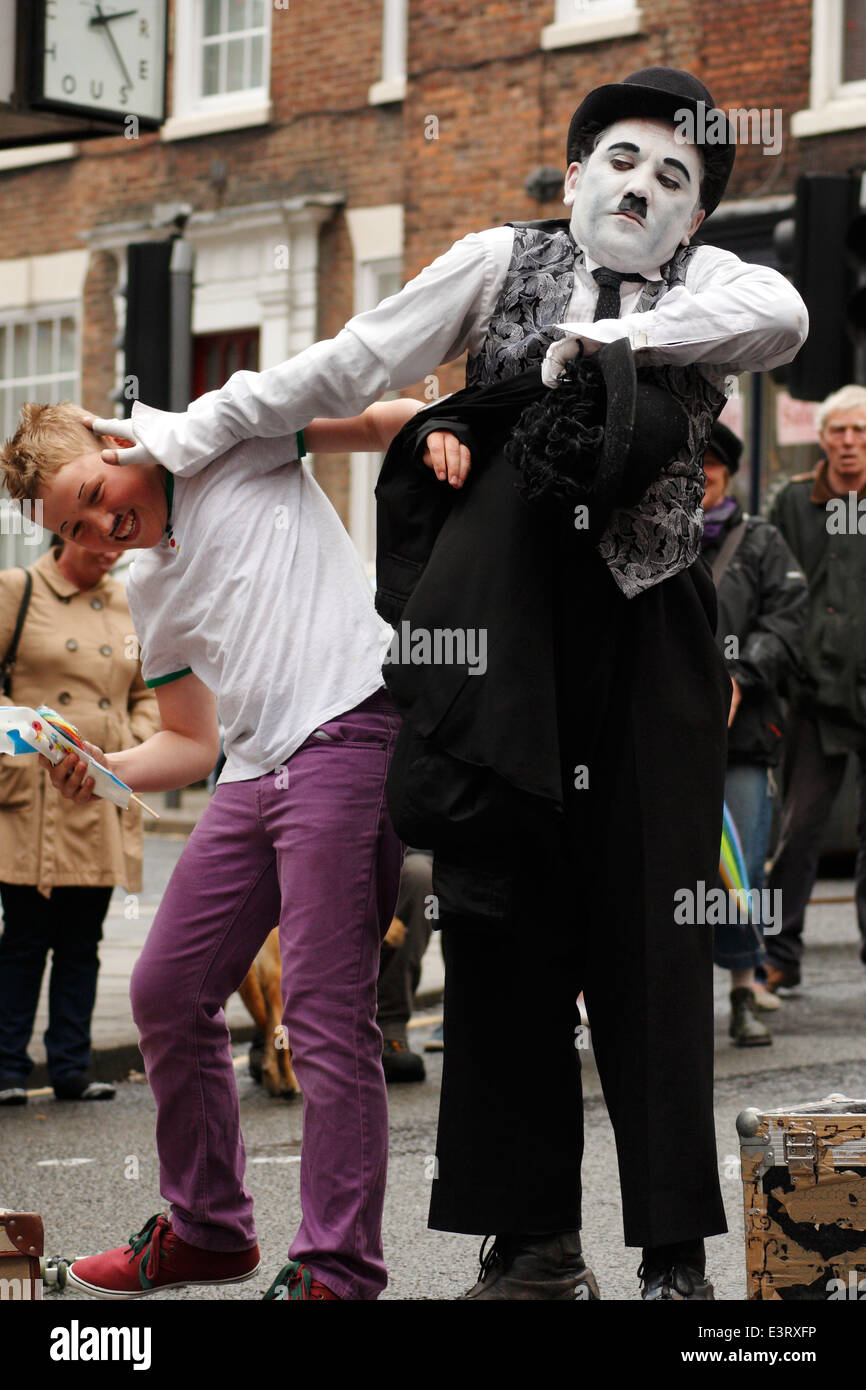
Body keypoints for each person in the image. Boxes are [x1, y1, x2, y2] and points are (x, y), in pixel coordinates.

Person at [77, 67, 807, 1300]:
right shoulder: (493, 259)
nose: (642, 187)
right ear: (573, 174)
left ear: (693, 216)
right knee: (498, 929)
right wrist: (182, 433)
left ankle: (671, 1261)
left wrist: (611, 337)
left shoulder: (714, 288)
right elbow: (347, 364)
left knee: (650, 946)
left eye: (674, 179)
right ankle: (530, 1243)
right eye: (620, 162)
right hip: (504, 643)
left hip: (648, 642)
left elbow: (782, 315)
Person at [1, 393, 419, 1300]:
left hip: (347, 732)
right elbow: (191, 741)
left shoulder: (230, 439)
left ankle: (338, 1266)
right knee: (165, 990)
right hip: (251, 769)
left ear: (118, 443)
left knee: (321, 1010)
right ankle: (211, 1231)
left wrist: (446, 429)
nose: (101, 532)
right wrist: (104, 763)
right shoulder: (150, 583)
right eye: (74, 528)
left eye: (91, 494)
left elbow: (379, 420)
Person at [0, 536, 159, 1104]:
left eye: (119, 546)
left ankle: (71, 1066)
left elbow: (149, 692)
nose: (111, 553)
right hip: (31, 795)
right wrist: (16, 742)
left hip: (97, 789)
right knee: (22, 938)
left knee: (81, 939)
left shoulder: (131, 602)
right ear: (65, 530)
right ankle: (7, 1068)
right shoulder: (17, 590)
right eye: (98, 541)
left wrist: (132, 744)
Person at [698, 421, 808, 1044]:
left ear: (730, 474)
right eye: (697, 464)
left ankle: (743, 990)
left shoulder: (763, 542)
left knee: (738, 870)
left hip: (744, 738)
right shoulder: (660, 536)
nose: (705, 475)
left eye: (715, 466)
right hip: (672, 734)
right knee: (660, 867)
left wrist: (739, 673)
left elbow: (788, 623)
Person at [765, 385, 866, 990]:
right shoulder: (792, 502)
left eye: (860, 432)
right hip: (813, 695)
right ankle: (780, 955)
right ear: (822, 438)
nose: (849, 443)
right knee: (799, 830)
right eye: (838, 433)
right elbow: (775, 591)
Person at [379, 848, 434, 1082]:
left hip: (399, 844)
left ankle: (388, 1026)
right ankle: (275, 1037)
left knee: (421, 876)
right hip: (317, 838)